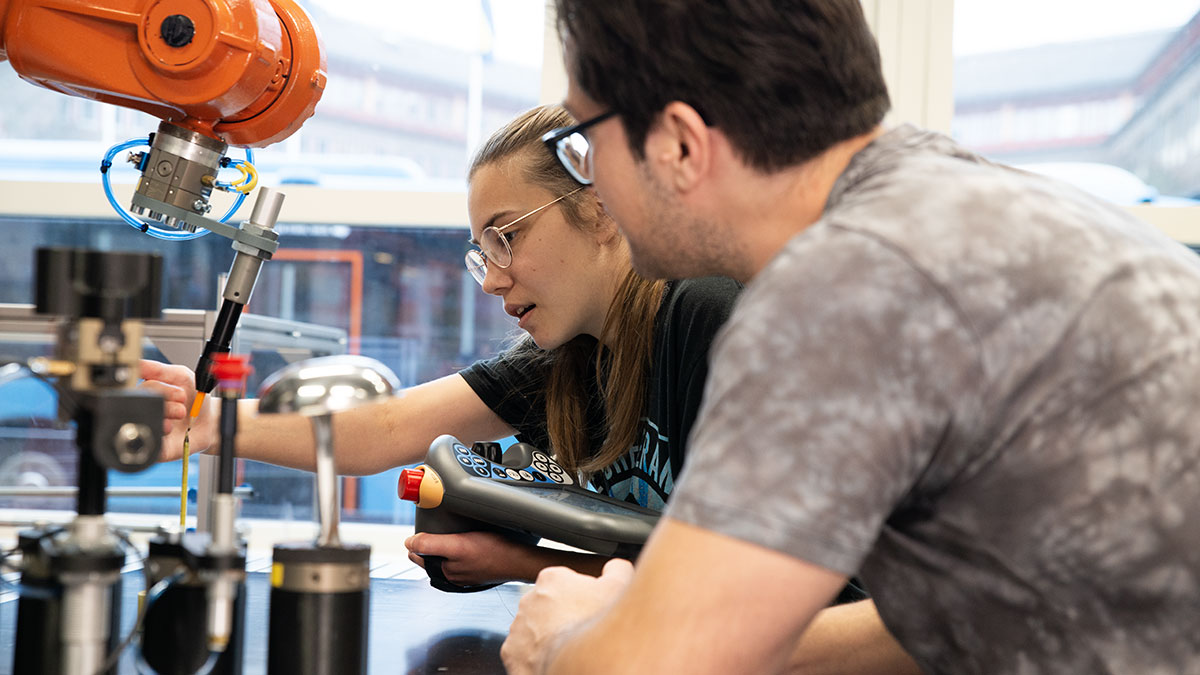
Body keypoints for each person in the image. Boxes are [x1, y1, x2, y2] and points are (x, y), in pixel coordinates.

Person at [500, 1, 1200, 673]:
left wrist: (562, 637)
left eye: (585, 143)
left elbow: (660, 664)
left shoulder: (844, 287)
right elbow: (977, 605)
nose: (591, 177)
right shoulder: (949, 196)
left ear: (679, 143)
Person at [140, 104, 742, 587]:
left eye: (505, 236)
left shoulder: (708, 315)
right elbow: (386, 426)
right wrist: (206, 420)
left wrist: (520, 564)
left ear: (603, 208)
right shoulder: (570, 357)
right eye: (482, 254)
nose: (494, 279)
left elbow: (730, 585)